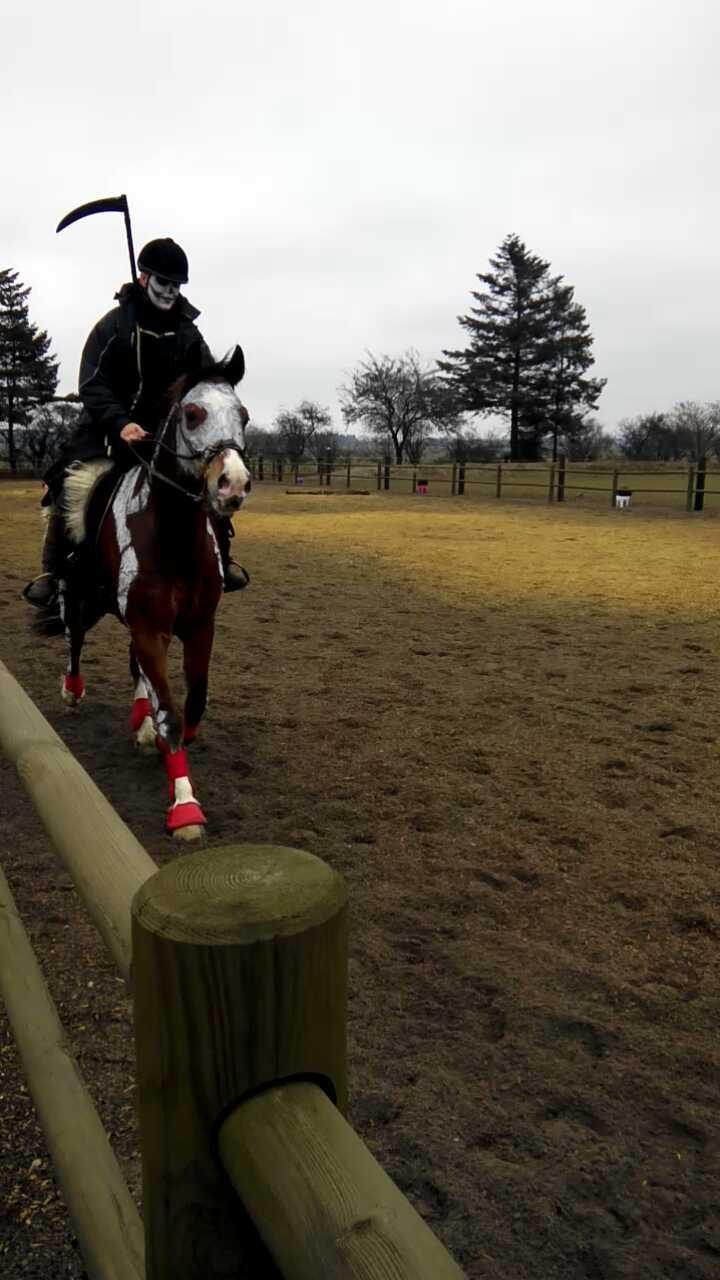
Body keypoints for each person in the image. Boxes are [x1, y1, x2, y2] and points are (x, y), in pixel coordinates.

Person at [24, 237, 249, 607]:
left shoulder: (188, 332)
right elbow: (92, 385)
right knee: (71, 482)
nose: (170, 292)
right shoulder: (112, 328)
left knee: (211, 479)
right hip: (108, 431)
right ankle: (55, 570)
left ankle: (222, 556)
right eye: (163, 283)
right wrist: (120, 422)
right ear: (144, 278)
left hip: (164, 436)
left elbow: (204, 377)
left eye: (177, 286)